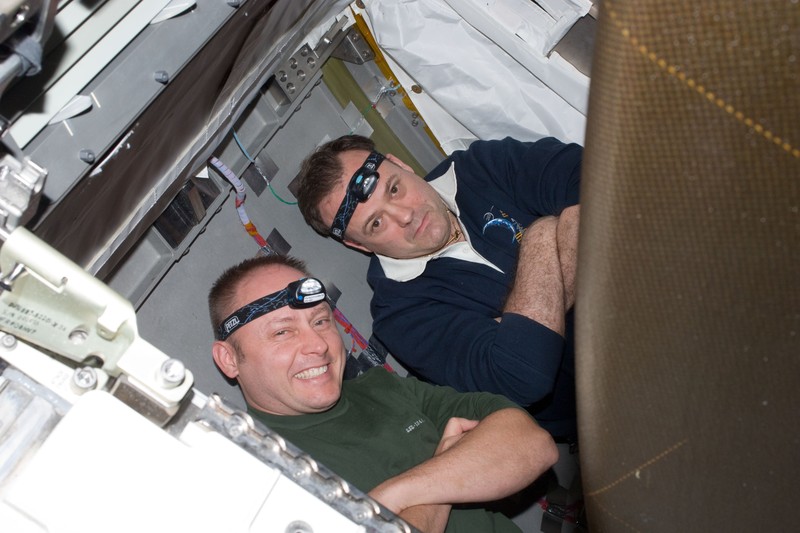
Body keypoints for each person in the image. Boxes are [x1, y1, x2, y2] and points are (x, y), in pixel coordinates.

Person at [209, 255, 558, 533]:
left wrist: (394, 496)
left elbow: (532, 443)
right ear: (229, 359)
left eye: (320, 321)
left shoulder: (381, 387)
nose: (317, 344)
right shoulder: (257, 470)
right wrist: (447, 466)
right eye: (283, 332)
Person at [295, 135, 581, 439]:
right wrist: (544, 233)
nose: (404, 215)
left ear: (401, 164)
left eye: (394, 189)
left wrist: (525, 324)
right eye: (376, 224)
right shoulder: (401, 316)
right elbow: (523, 373)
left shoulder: (480, 166)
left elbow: (605, 184)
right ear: (357, 244)